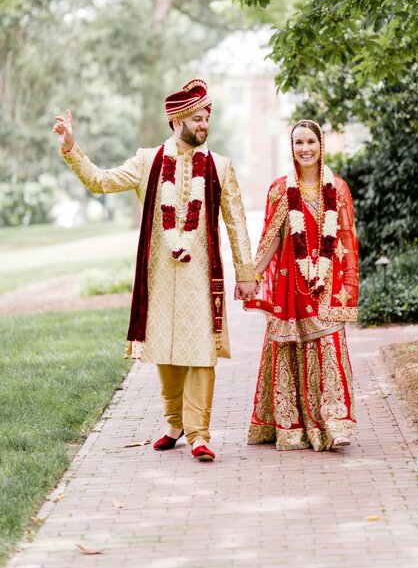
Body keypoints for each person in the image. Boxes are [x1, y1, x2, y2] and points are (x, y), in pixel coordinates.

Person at [53, 78, 257, 462]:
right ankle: (174, 423)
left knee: (201, 353)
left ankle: (199, 434)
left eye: (206, 118)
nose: (204, 125)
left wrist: (246, 273)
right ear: (176, 121)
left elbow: (237, 223)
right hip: (160, 276)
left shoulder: (221, 167)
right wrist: (70, 148)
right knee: (165, 349)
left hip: (200, 276)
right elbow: (100, 181)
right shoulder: (147, 162)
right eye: (197, 119)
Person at [244, 119, 358, 452]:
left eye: (310, 141)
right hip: (291, 285)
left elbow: (348, 240)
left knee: (330, 351)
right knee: (291, 353)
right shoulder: (280, 189)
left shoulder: (338, 189)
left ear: (321, 145)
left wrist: (345, 287)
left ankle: (336, 424)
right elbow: (271, 241)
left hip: (328, 284)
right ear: (290, 148)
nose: (305, 148)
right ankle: (293, 427)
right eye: (298, 143)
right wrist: (250, 276)